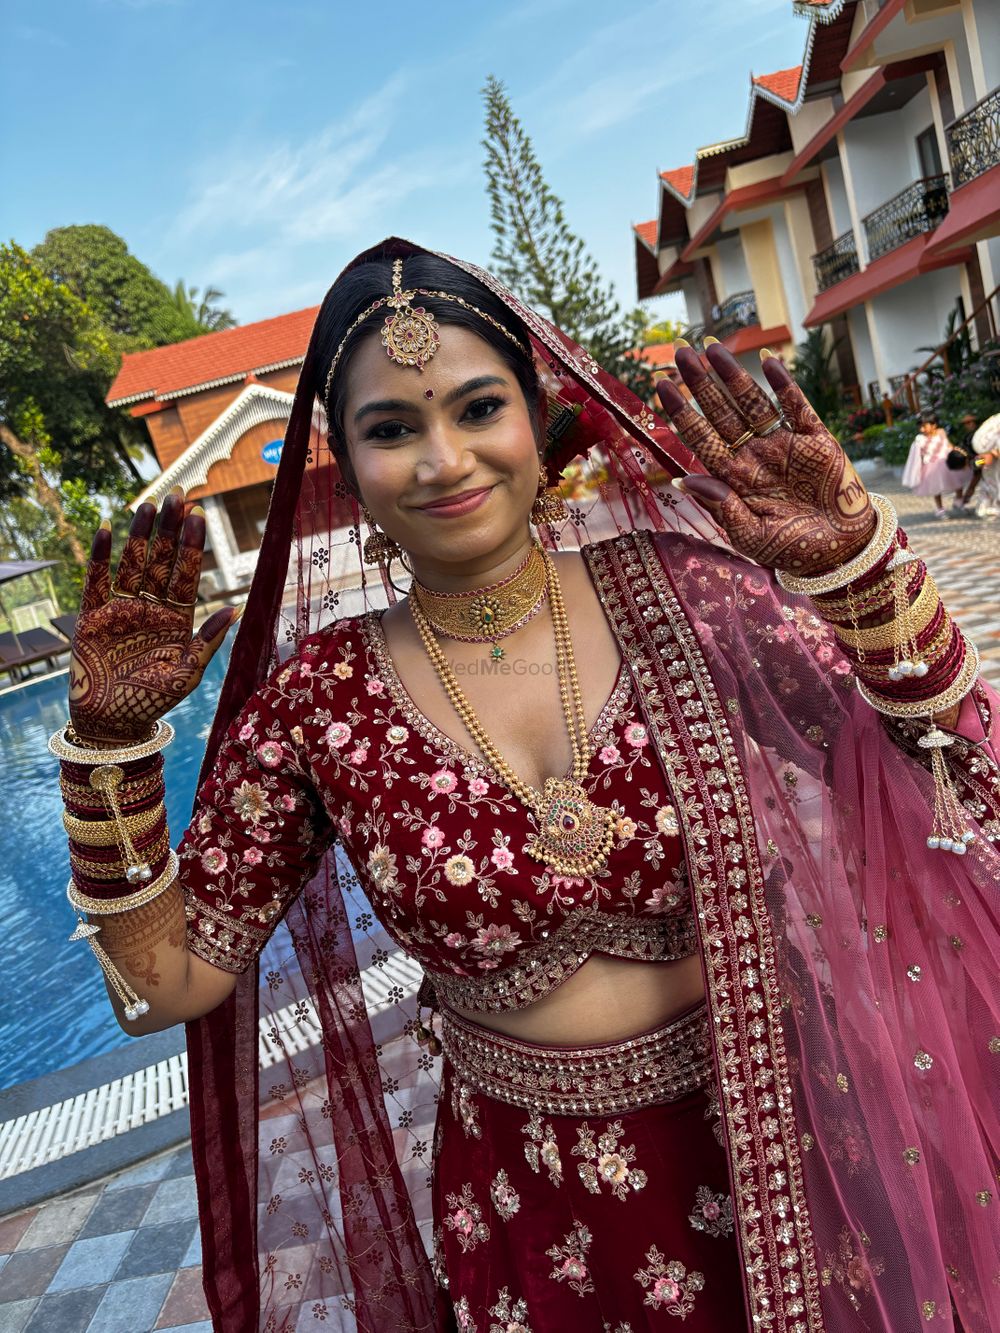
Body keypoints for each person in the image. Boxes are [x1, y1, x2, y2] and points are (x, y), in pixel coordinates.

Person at [52, 241, 999, 1333]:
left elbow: (949, 769)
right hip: (536, 1211)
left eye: (476, 407)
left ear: (536, 413)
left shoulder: (690, 597)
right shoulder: (317, 704)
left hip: (789, 1152)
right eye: (393, 429)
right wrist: (111, 762)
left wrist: (860, 567)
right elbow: (163, 988)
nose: (444, 459)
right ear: (344, 463)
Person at [900, 414, 972, 516]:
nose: (922, 429)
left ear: (934, 425)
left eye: (925, 426)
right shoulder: (920, 439)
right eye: (920, 426)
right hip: (931, 466)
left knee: (958, 481)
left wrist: (957, 453)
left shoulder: (941, 432)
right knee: (936, 488)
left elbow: (948, 444)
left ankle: (959, 501)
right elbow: (916, 456)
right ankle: (940, 508)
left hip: (947, 462)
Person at [970, 411, 1000, 517]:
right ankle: (990, 506)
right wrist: (983, 459)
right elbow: (975, 464)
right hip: (989, 474)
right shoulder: (982, 449)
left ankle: (992, 506)